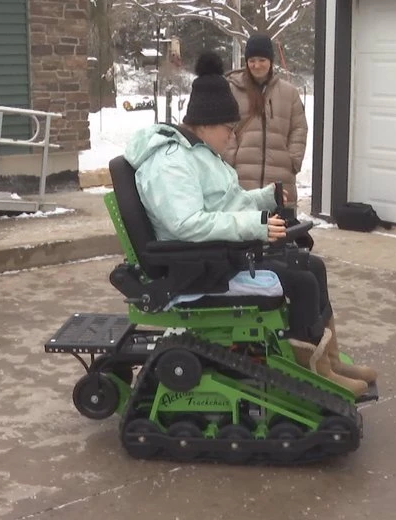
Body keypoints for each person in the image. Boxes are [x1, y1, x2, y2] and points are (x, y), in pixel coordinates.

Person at [124, 52, 376, 395]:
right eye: (229, 129)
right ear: (205, 124)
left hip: (217, 254)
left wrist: (265, 199)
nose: (233, 137)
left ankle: (328, 359)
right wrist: (255, 226)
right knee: (301, 281)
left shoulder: (199, 154)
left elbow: (228, 204)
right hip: (197, 268)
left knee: (312, 266)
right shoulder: (171, 163)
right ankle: (313, 371)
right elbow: (186, 224)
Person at [224, 34, 308, 209]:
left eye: (262, 60)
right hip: (242, 178)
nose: (257, 65)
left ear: (271, 61)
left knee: (280, 224)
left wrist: (292, 160)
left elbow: (299, 128)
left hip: (280, 178)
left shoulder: (289, 93)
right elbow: (224, 127)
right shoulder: (232, 90)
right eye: (252, 60)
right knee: (246, 224)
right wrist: (232, 158)